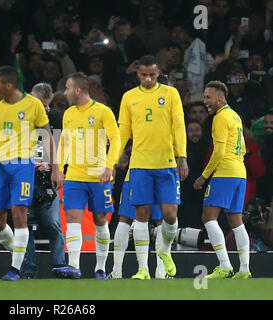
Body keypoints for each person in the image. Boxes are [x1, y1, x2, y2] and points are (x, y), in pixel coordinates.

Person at [0, 66, 63, 281]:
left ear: (9, 85)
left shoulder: (33, 104)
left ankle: (16, 269)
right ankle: (20, 257)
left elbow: (47, 137)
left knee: (19, 216)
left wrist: (55, 168)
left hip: (22, 166)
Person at [117, 55, 189, 280]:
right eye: (143, 75)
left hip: (166, 164)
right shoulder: (129, 97)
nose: (148, 79)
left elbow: (179, 126)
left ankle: (165, 253)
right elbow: (123, 131)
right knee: (141, 215)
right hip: (140, 165)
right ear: (137, 74)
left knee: (169, 215)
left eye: (152, 75)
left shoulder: (170, 94)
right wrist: (115, 157)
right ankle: (143, 269)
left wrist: (182, 156)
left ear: (158, 74)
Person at [53, 72, 121, 280]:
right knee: (73, 217)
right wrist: (60, 169)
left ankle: (100, 268)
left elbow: (115, 139)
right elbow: (64, 142)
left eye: (67, 88)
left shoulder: (102, 112)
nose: (65, 92)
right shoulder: (69, 113)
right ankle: (74, 265)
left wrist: (110, 166)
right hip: (74, 175)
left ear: (78, 90)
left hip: (98, 175)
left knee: (101, 220)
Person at [193, 80, 251, 279]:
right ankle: (244, 270)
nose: (205, 101)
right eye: (204, 97)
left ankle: (225, 266)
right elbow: (243, 148)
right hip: (239, 172)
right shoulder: (235, 116)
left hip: (225, 172)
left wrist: (204, 176)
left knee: (208, 217)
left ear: (220, 97)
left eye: (208, 97)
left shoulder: (220, 117)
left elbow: (218, 152)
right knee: (236, 221)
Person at [19, 82, 66, 279]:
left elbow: (61, 146)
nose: (45, 109)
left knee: (54, 224)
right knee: (25, 224)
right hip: (24, 177)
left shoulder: (55, 117)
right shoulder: (19, 115)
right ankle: (28, 270)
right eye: (42, 104)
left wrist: (53, 166)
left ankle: (60, 266)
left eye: (48, 105)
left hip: (48, 179)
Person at [109, 148, 170, 280]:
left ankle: (118, 271)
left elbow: (121, 137)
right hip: (159, 171)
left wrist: (112, 164)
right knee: (160, 222)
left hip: (136, 173)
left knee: (125, 220)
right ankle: (160, 272)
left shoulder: (135, 127)